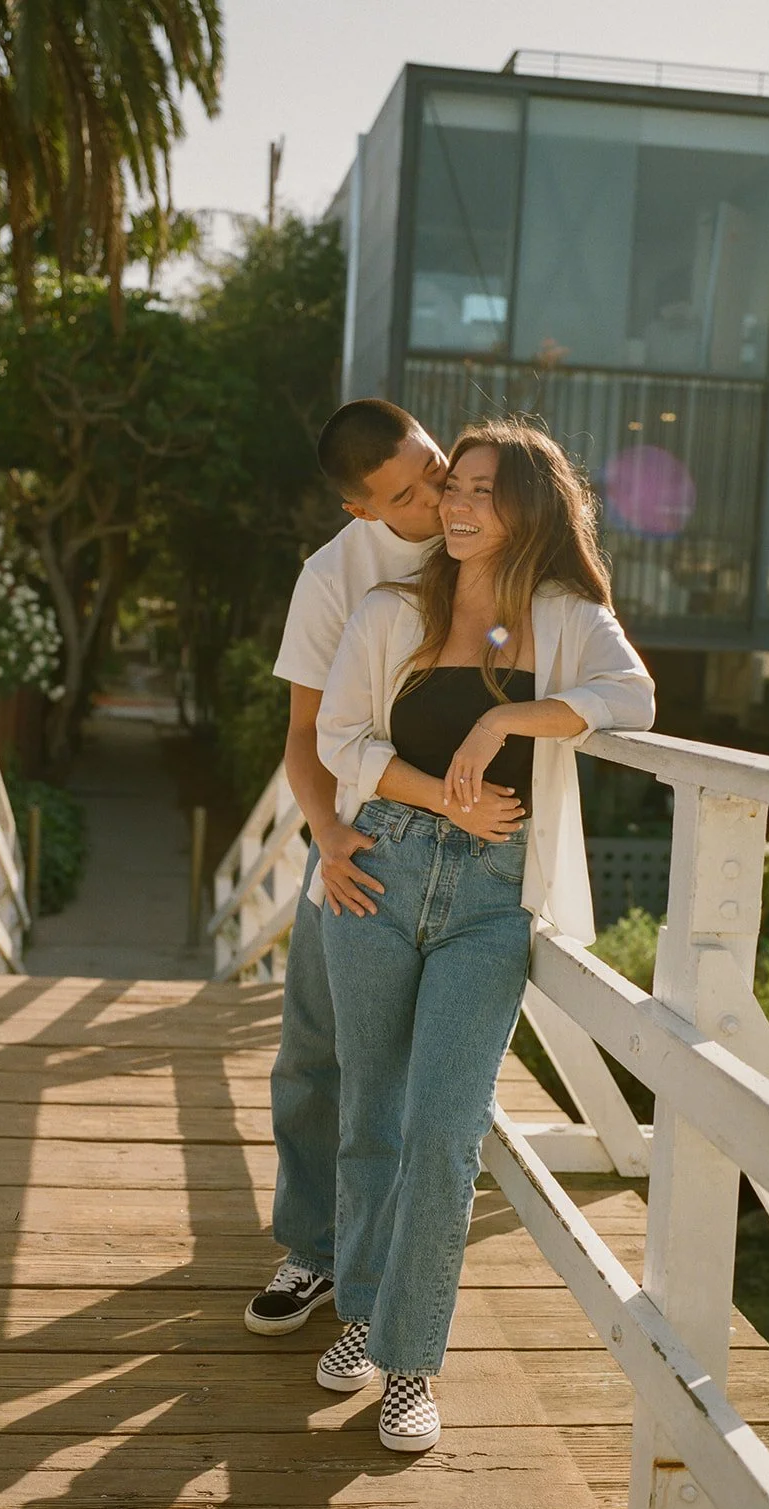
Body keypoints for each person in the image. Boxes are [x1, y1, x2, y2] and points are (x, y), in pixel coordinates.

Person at [313, 416, 656, 1450]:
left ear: (531, 509)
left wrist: (508, 719)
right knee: (371, 1107)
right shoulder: (388, 611)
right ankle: (364, 1311)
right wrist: (446, 797)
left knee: (446, 1130)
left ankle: (413, 1362)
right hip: (377, 869)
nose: (457, 505)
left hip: (490, 902)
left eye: (482, 491)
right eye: (451, 486)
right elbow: (342, 741)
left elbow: (632, 698)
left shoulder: (564, 617)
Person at [243, 400, 526, 1336]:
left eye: (437, 465)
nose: (440, 492)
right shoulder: (334, 578)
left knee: (421, 1097)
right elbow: (301, 736)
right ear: (365, 512)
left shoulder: (489, 534)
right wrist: (325, 837)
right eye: (409, 493)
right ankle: (312, 1251)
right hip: (361, 844)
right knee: (315, 1055)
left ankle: (384, 1289)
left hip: (471, 860)